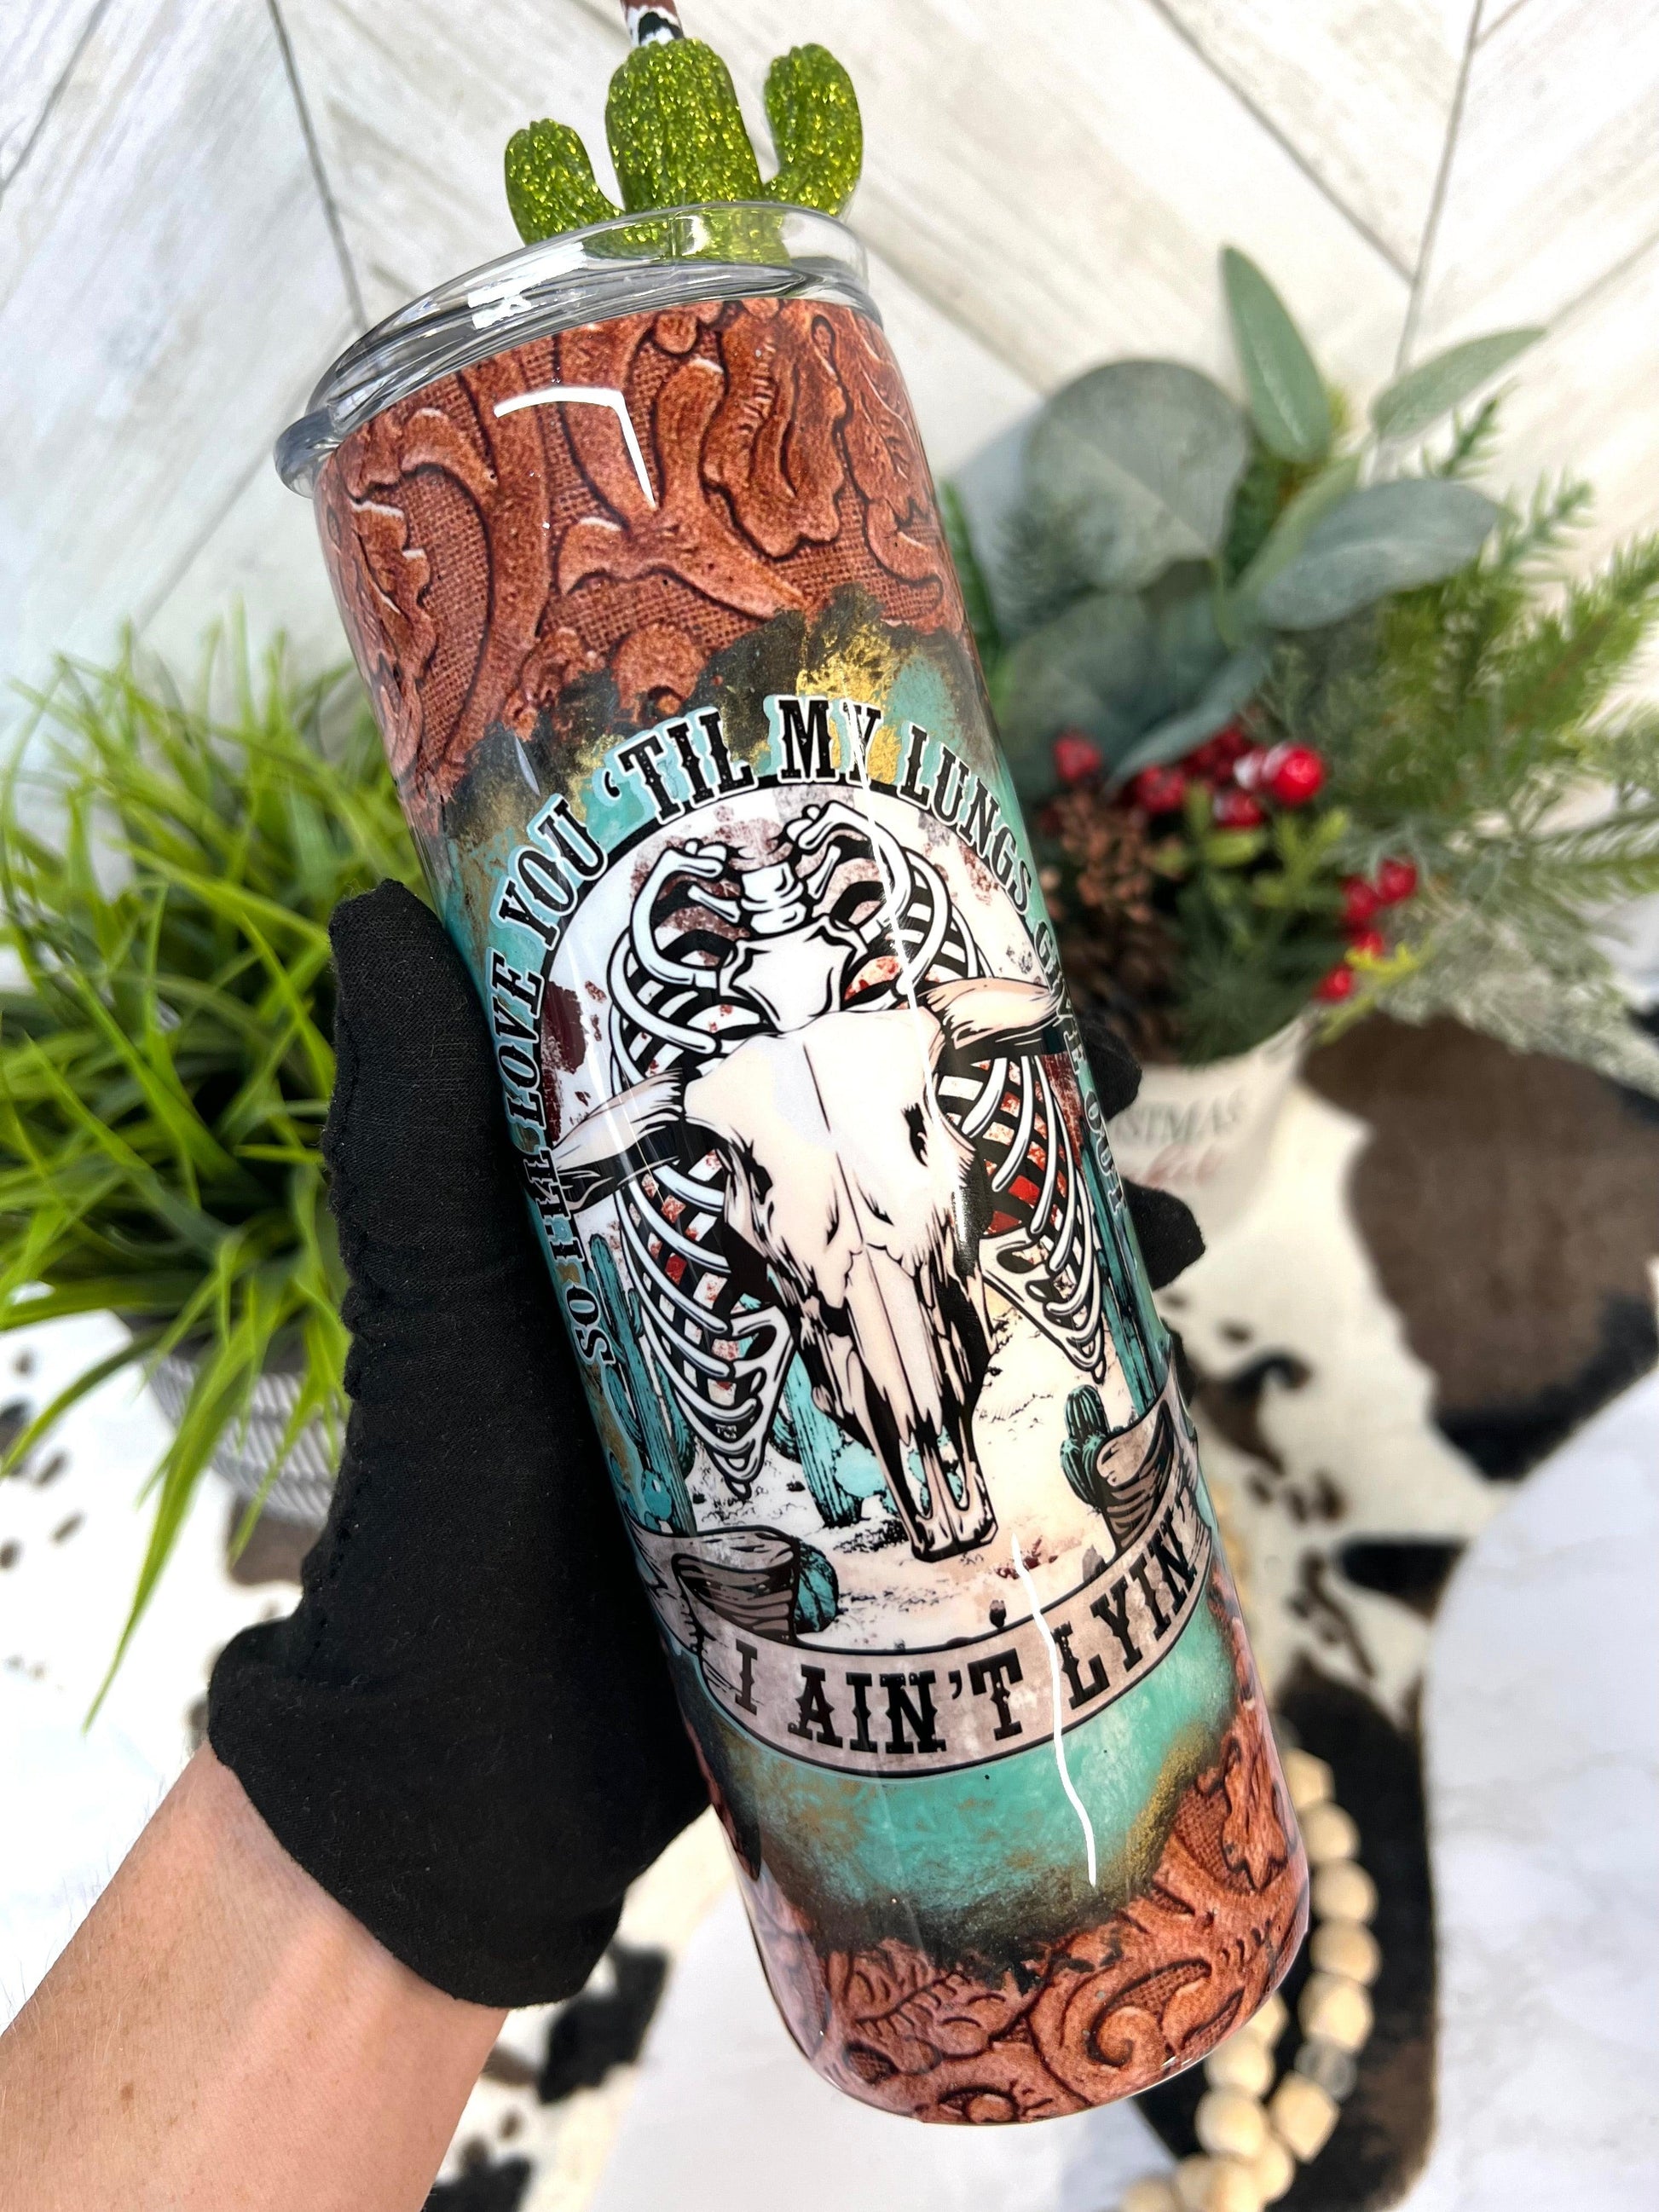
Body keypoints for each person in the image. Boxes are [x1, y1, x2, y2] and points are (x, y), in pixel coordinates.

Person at [0, 884, 1201, 2210]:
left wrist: (377, 1854)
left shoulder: (884, 1045)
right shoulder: (736, 1097)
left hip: (911, 1215)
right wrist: (392, 1815)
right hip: (809, 1277)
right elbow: (613, 1151)